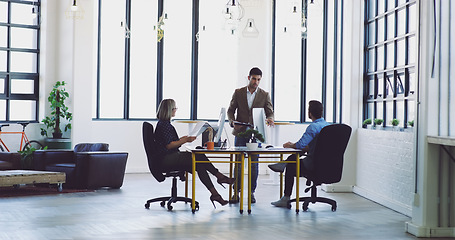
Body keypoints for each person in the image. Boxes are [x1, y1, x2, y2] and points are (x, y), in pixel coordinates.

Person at [154, 99, 235, 208]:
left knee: (199, 165)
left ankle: (215, 194)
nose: (175, 111)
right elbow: (169, 145)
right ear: (169, 110)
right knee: (198, 155)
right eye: (174, 109)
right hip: (166, 159)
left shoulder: (164, 124)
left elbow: (171, 142)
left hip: (167, 157)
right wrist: (185, 140)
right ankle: (219, 176)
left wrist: (184, 139)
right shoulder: (164, 125)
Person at [268, 100, 329, 207]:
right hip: (326, 165)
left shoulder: (313, 127)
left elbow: (300, 144)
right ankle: (283, 164)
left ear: (310, 113)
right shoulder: (327, 126)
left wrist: (290, 144)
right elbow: (316, 146)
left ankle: (286, 197)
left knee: (291, 165)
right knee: (299, 153)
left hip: (313, 165)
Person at [227, 67, 274, 203]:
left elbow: (269, 111)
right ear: (249, 78)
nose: (256, 82)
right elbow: (230, 111)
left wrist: (270, 118)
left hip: (255, 134)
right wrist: (232, 122)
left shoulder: (264, 95)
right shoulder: (238, 92)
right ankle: (236, 192)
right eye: (254, 79)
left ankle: (251, 192)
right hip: (240, 132)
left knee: (254, 164)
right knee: (238, 163)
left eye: (259, 79)